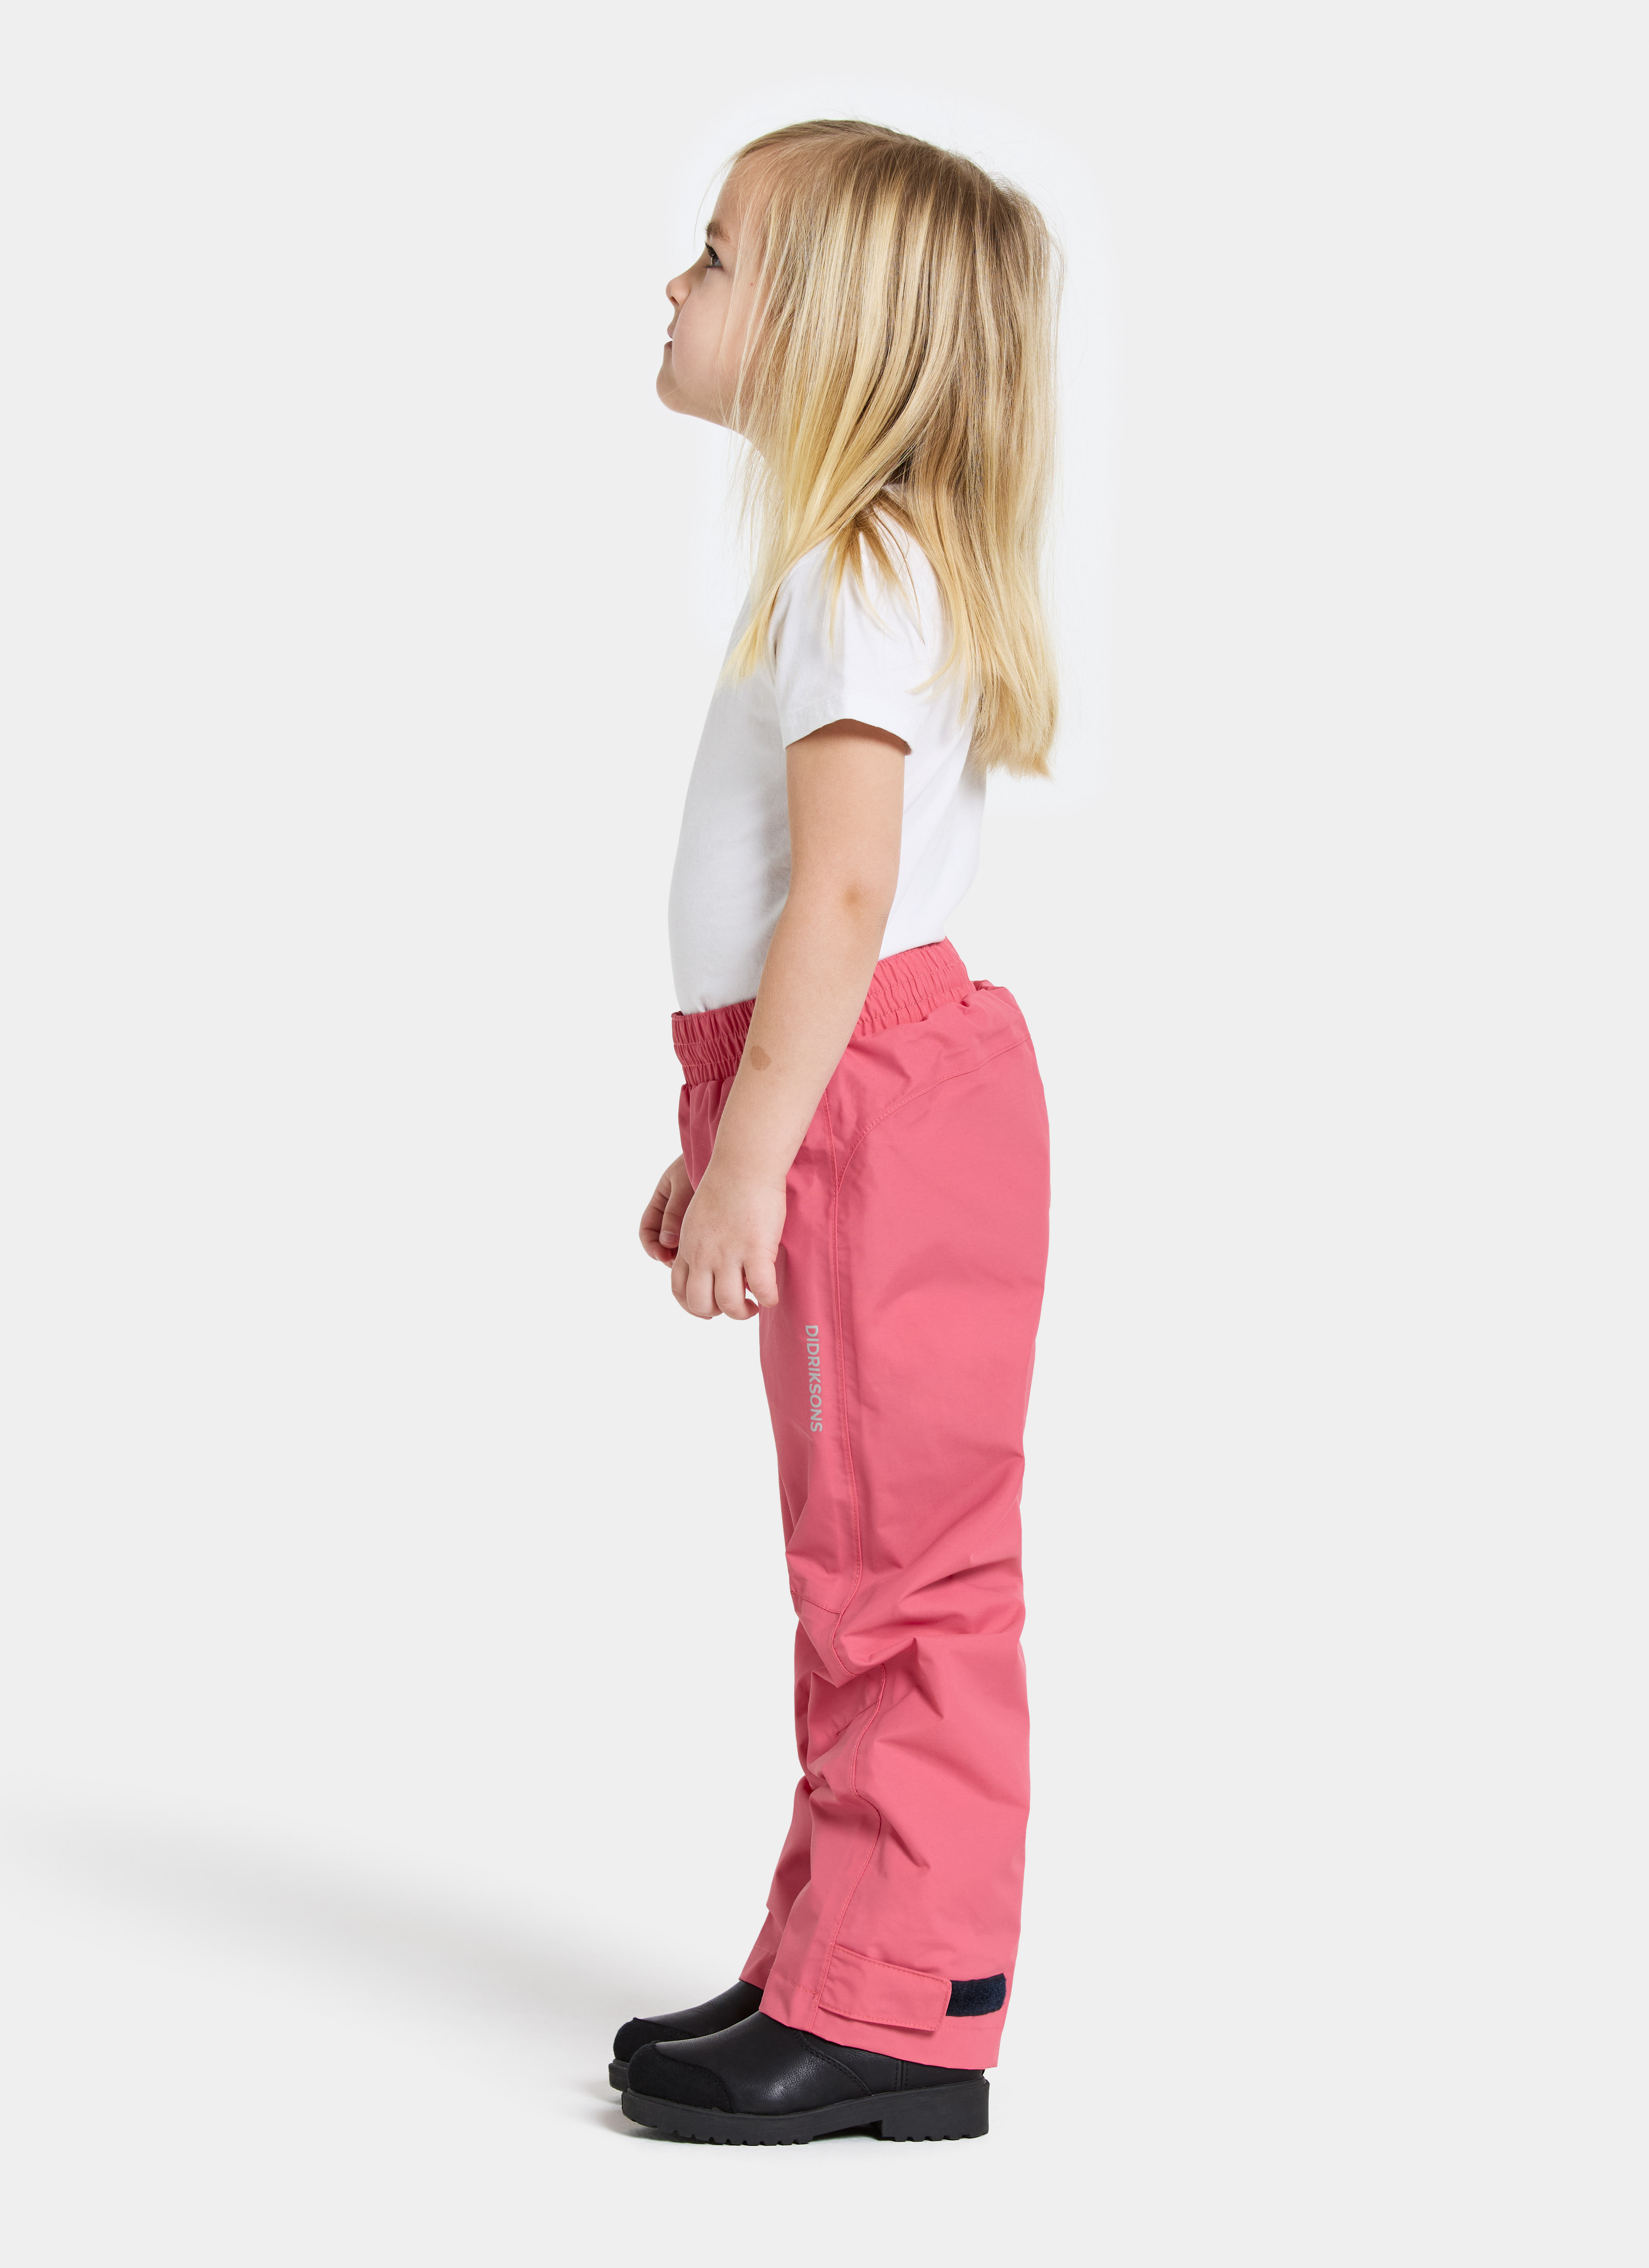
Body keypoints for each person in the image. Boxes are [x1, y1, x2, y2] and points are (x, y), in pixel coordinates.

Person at [616, 119, 1057, 2146]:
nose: (674, 284)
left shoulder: (859, 573)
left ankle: (904, 2011)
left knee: (904, 1579)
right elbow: (801, 915)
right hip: (846, 1100)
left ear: (827, 332)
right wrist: (729, 1132)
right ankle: (836, 1961)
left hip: (873, 1103)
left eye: (715, 256)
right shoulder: (845, 569)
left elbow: (847, 895)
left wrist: (758, 1148)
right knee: (856, 1562)